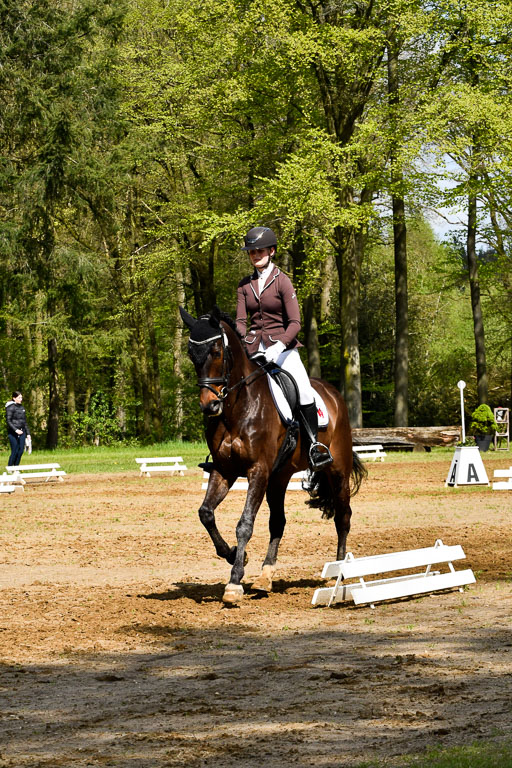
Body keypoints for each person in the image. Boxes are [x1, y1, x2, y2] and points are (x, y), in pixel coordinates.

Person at [236, 226, 332, 470]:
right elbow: (240, 322)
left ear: (271, 251)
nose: (255, 255)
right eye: (251, 252)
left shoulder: (283, 281)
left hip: (283, 349)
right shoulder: (244, 285)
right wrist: (242, 343)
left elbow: (296, 322)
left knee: (304, 391)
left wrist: (278, 347)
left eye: (259, 250)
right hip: (254, 349)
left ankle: (313, 446)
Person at [5, 391, 31, 467]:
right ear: (14, 398)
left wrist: (28, 433)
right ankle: (10, 468)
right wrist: (16, 430)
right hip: (13, 432)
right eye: (19, 397)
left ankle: (16, 468)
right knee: (15, 450)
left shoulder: (22, 408)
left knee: (20, 451)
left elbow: (24, 421)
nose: (21, 399)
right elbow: (8, 421)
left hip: (22, 431)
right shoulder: (10, 407)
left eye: (21, 397)